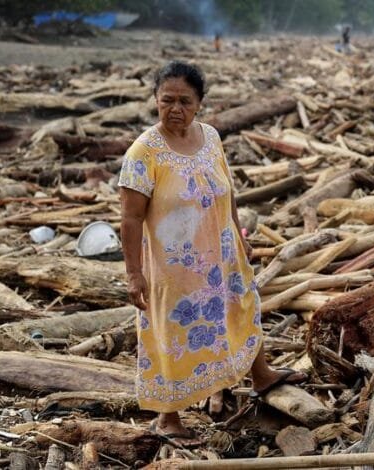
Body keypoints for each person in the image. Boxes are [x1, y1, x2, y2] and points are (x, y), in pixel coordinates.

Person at [118, 61, 307, 446]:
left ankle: (261, 375)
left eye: (184, 101)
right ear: (155, 100)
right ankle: (168, 416)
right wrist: (134, 273)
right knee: (172, 332)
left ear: (199, 103)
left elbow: (227, 191)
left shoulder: (210, 138)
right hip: (176, 267)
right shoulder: (143, 153)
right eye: (166, 100)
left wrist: (238, 233)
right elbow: (130, 218)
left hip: (222, 254)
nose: (175, 109)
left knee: (242, 307)